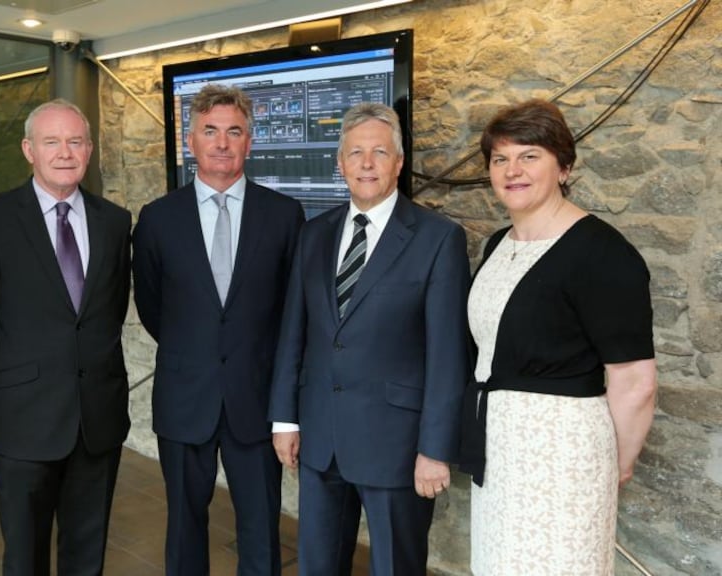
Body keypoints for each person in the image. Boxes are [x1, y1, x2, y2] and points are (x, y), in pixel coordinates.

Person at [269, 102, 470, 576]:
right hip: (321, 438)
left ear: (398, 163)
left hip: (396, 446)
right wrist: (284, 419)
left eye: (379, 151)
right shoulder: (314, 234)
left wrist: (436, 448)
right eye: (355, 152)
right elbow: (293, 332)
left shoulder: (438, 238)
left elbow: (448, 354)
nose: (366, 163)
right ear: (339, 164)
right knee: (318, 565)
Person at [459, 99, 658, 575]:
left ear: (564, 167)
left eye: (530, 156)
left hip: (564, 463)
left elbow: (635, 381)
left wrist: (615, 464)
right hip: (500, 457)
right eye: (500, 159)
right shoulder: (497, 244)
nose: (513, 170)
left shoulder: (601, 252)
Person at [132, 84, 304, 576]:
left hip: (256, 399)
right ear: (192, 141)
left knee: (261, 529)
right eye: (210, 131)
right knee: (184, 527)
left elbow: (292, 313)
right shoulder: (158, 219)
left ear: (250, 142)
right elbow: (152, 306)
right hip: (186, 399)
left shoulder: (284, 215)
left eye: (234, 132)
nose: (222, 143)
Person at [0, 99, 131, 576]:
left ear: (90, 150)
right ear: (28, 149)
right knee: (24, 555)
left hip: (97, 417)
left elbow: (107, 312)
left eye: (75, 141)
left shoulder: (115, 223)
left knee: (87, 549)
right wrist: (23, 371)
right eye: (51, 141)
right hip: (23, 419)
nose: (64, 152)